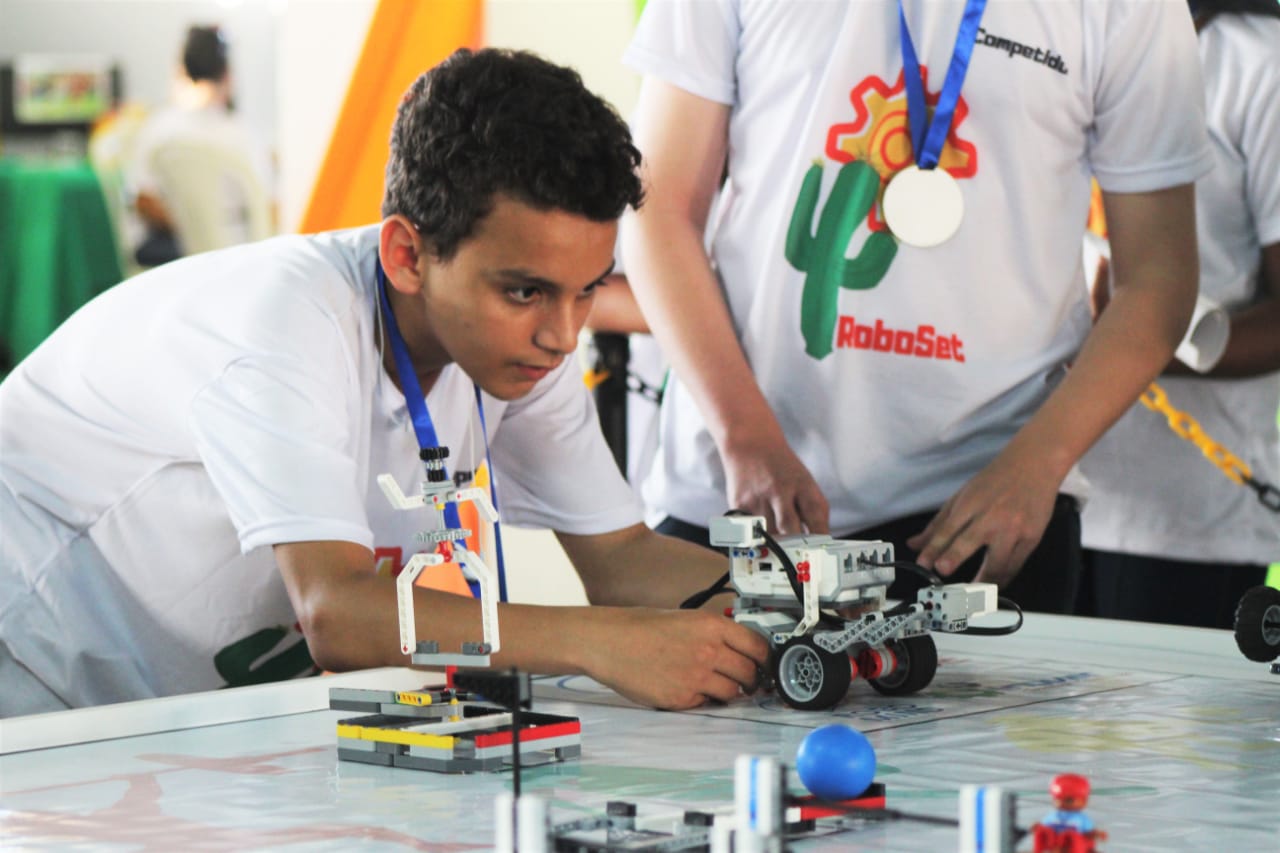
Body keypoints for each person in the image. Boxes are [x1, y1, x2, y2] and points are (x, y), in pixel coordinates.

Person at [0, 48, 769, 717]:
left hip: (169, 703)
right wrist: (601, 642)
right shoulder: (288, 323)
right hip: (33, 666)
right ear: (407, 254)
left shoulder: (517, 348)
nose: (564, 335)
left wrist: (817, 590)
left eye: (588, 290)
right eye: (526, 291)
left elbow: (622, 558)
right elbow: (339, 613)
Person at [619, 0, 1211, 612]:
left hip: (977, 511)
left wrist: (1039, 463)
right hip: (740, 488)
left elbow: (1158, 278)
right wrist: (744, 435)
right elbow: (657, 210)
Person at [1076, 0, 1280, 629]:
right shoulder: (1056, 36)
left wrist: (1137, 341)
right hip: (1030, 496)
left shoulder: (1258, 62)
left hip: (1186, 526)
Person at [128, 24, 272, 266]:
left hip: (177, 258)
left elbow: (143, 200)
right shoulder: (242, 134)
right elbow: (267, 205)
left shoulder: (159, 128)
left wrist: (192, 223)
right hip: (240, 253)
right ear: (227, 74)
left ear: (181, 69)